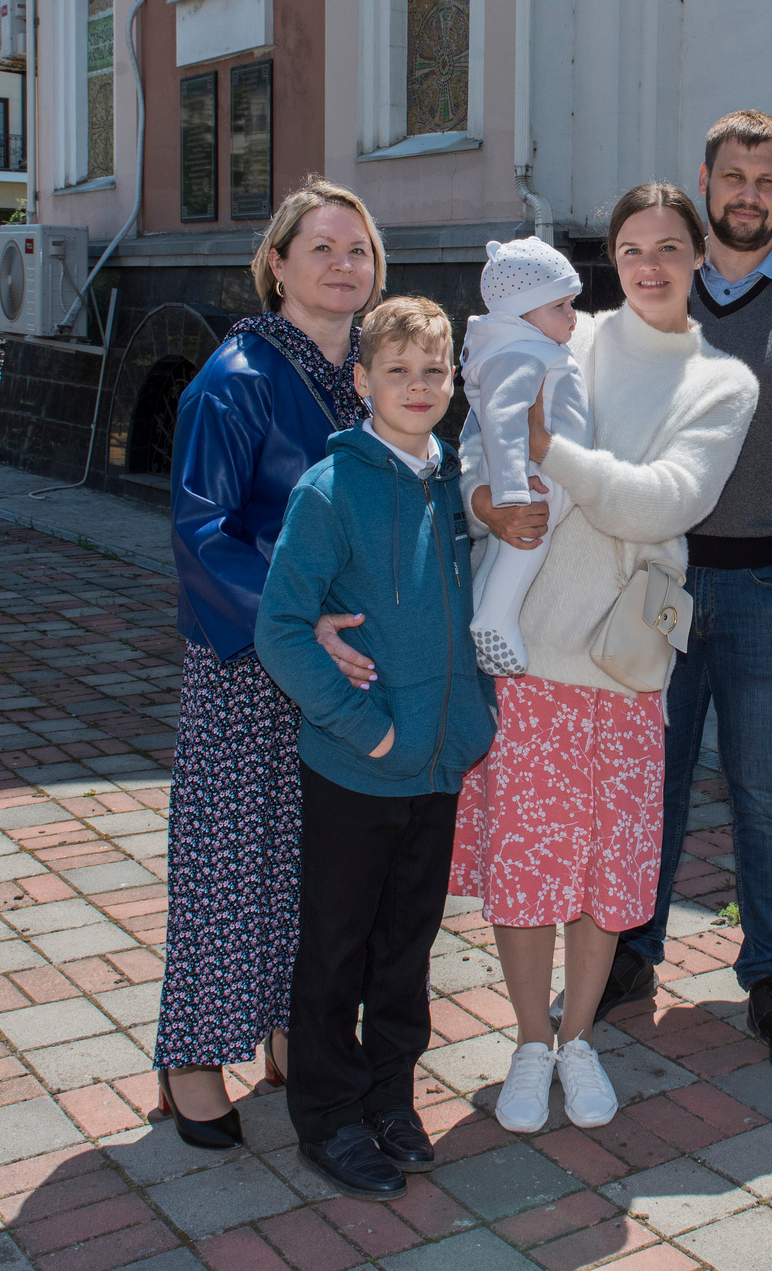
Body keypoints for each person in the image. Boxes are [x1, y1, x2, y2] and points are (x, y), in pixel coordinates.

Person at [451, 186, 758, 1134]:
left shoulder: (722, 383)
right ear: (609, 259)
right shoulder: (558, 334)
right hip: (528, 652)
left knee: (603, 873)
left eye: (670, 246)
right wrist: (486, 504)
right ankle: (526, 1042)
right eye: (631, 247)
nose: (651, 264)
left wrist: (556, 457)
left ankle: (576, 1037)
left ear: (700, 257)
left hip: (625, 664)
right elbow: (473, 446)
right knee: (527, 866)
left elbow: (667, 501)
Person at [607, 111, 772, 1083]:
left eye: (766, 180)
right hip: (663, 584)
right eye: (733, 176)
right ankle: (629, 953)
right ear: (705, 178)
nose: (748, 194)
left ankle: (771, 977)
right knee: (654, 778)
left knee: (767, 793)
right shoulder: (659, 294)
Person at [155, 177, 386, 1149]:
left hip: (348, 666)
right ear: (278, 265)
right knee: (229, 865)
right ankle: (193, 1059)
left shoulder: (372, 374)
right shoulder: (235, 377)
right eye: (322, 247)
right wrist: (297, 624)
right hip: (253, 661)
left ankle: (297, 1031)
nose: (343, 264)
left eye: (358, 249)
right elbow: (201, 528)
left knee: (319, 868)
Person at [253, 296, 498, 1198]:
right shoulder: (330, 489)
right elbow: (282, 627)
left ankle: (391, 1095)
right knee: (337, 948)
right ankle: (327, 1116)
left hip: (437, 766)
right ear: (361, 381)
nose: (418, 386)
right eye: (397, 371)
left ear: (454, 379)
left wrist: (470, 718)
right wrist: (370, 727)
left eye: (434, 370)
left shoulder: (450, 476)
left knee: (406, 945)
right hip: (357, 768)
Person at [462, 237, 591, 677]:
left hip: (529, 471)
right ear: (521, 315)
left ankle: (483, 607)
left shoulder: (526, 347)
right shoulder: (520, 352)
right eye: (560, 306)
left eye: (572, 303)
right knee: (529, 539)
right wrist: (513, 489)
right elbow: (502, 418)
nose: (572, 315)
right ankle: (496, 619)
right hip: (533, 477)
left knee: (508, 547)